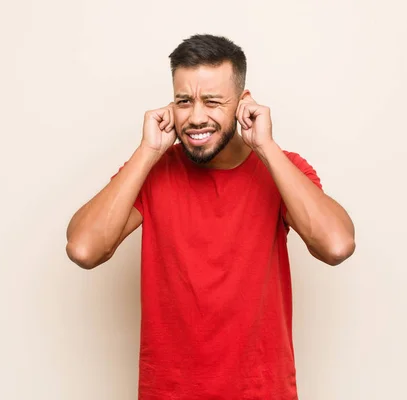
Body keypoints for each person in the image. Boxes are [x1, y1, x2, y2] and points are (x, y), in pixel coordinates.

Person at [66, 34, 355, 400]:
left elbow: (337, 245)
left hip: (262, 392)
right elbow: (83, 249)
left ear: (242, 103)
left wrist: (265, 146)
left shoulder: (281, 168)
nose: (196, 117)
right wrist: (147, 150)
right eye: (184, 101)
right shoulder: (154, 168)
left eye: (213, 101)